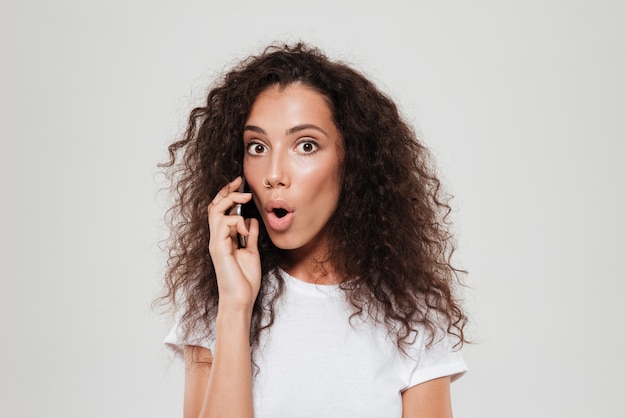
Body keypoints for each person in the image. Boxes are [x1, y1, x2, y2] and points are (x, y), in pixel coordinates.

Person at [158, 42, 468, 418]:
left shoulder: (411, 312)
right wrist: (236, 306)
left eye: (305, 145)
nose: (273, 174)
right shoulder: (216, 296)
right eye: (257, 146)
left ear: (351, 161)